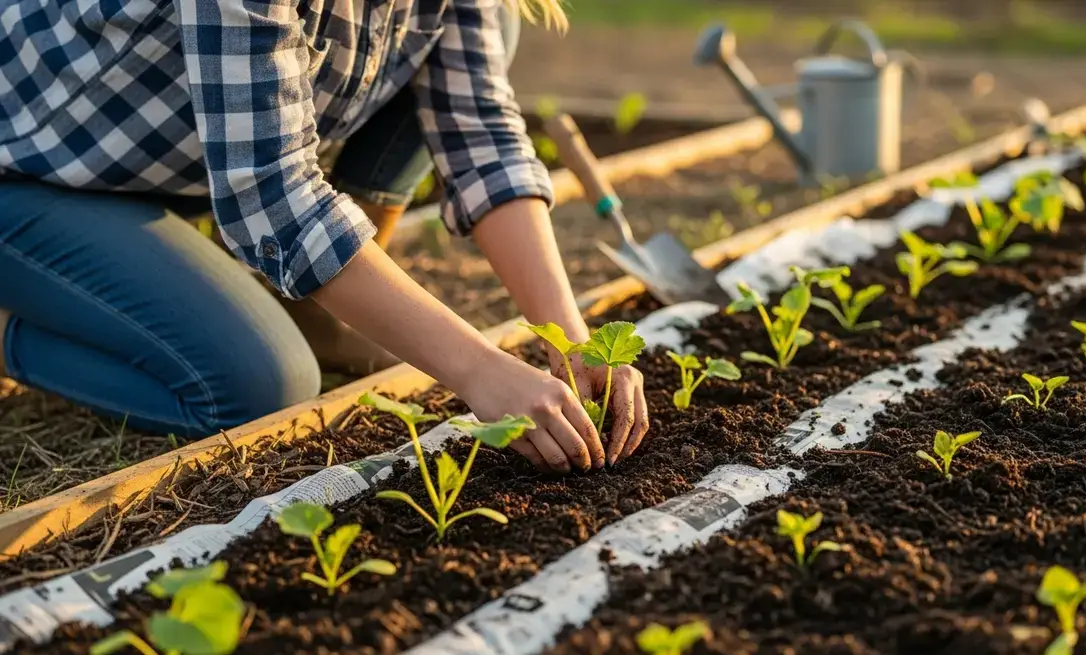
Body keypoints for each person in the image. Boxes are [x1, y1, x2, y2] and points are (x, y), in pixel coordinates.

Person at [0, 0, 649, 473]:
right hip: (33, 171)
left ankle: (306, 303)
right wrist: (479, 370)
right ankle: (19, 320)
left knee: (498, 19)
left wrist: (574, 339)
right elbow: (274, 194)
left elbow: (482, 139)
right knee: (255, 387)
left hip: (163, 167)